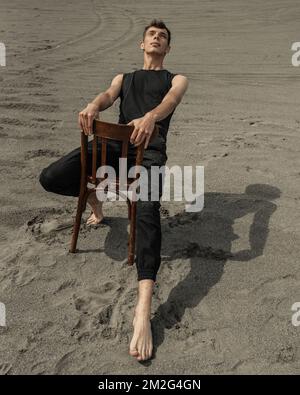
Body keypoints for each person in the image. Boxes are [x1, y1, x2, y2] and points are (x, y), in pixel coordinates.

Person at [39, 19, 188, 362]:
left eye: (162, 37)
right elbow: (107, 96)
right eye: (151, 34)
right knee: (52, 176)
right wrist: (93, 106)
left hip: (147, 153)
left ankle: (142, 309)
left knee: (149, 211)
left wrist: (151, 116)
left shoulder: (176, 78)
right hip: (110, 147)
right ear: (142, 44)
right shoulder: (126, 78)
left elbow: (171, 101)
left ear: (167, 48)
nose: (156, 38)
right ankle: (96, 204)